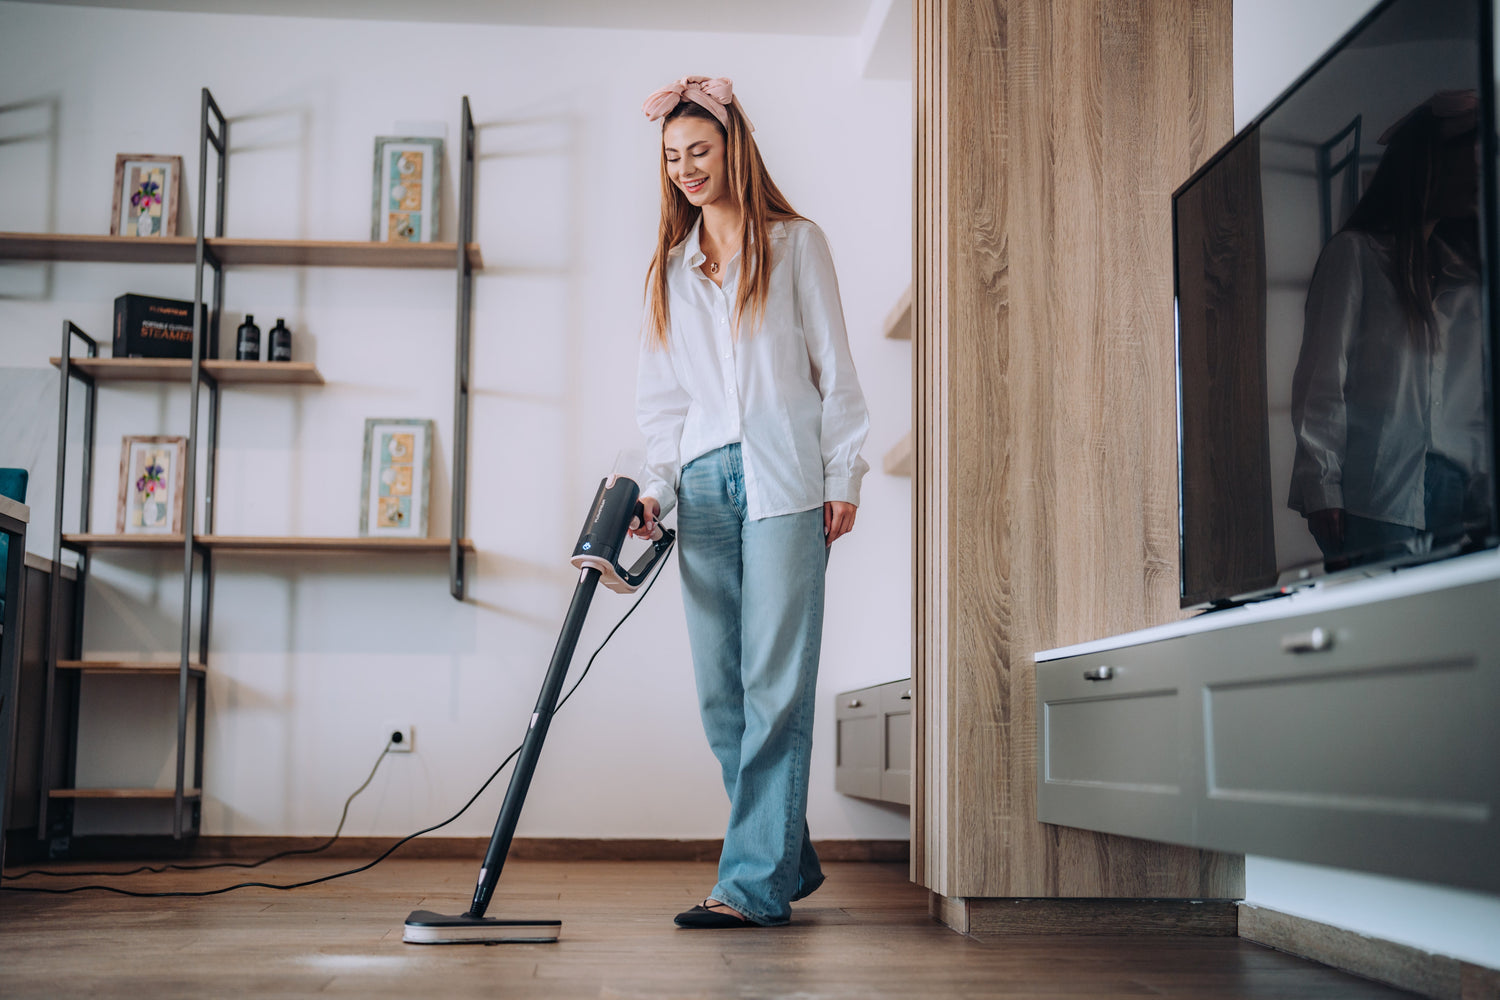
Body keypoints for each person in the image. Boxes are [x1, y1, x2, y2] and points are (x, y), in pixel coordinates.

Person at [631, 75, 870, 928]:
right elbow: (663, 405)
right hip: (701, 487)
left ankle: (750, 886)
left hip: (784, 482)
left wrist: (843, 477)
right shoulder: (669, 271)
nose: (686, 168)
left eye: (699, 150)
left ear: (733, 148)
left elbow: (834, 373)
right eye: (671, 157)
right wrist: (654, 492)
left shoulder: (797, 245)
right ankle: (784, 855)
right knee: (722, 698)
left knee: (776, 686)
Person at [1288, 90, 1491, 568]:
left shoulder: (1464, 275)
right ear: (1431, 166)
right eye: (1468, 160)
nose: (1479, 173)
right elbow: (1323, 376)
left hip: (1459, 496)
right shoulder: (1355, 255)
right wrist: (1322, 487)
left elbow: (1471, 398)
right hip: (1378, 497)